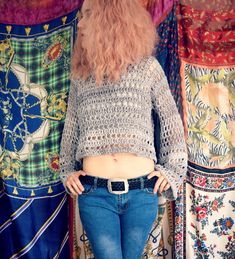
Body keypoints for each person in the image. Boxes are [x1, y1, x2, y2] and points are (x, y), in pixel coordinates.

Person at [59, 0, 187, 258]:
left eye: (87, 16)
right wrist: (66, 171)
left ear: (108, 21)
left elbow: (171, 122)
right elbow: (71, 130)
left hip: (142, 194)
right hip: (95, 195)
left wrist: (173, 170)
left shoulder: (147, 69)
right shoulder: (82, 75)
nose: (80, 23)